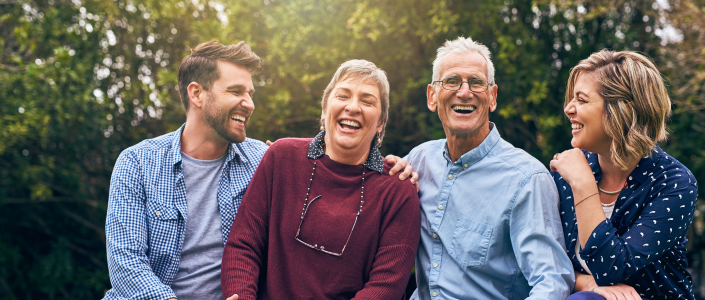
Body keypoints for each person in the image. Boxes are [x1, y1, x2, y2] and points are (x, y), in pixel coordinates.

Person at [103, 42, 415, 300]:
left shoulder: (265, 157)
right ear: (196, 94)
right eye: (236, 91)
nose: (250, 103)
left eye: (250, 93)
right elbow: (126, 264)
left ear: (381, 122)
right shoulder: (138, 164)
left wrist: (392, 164)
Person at [220, 59, 420, 300]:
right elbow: (243, 245)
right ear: (325, 110)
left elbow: (385, 287)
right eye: (343, 96)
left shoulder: (398, 191)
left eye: (367, 101)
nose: (353, 107)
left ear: (380, 123)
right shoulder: (281, 158)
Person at [406, 37, 574, 300]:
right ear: (432, 96)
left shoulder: (527, 178)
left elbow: (551, 281)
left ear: (492, 97)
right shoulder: (418, 161)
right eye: (452, 81)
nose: (464, 92)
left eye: (476, 82)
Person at [550, 50, 698, 300]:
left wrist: (584, 185)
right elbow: (540, 262)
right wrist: (587, 284)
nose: (568, 109)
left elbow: (610, 268)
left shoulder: (674, 183)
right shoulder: (565, 172)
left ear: (622, 110)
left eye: (582, 100)